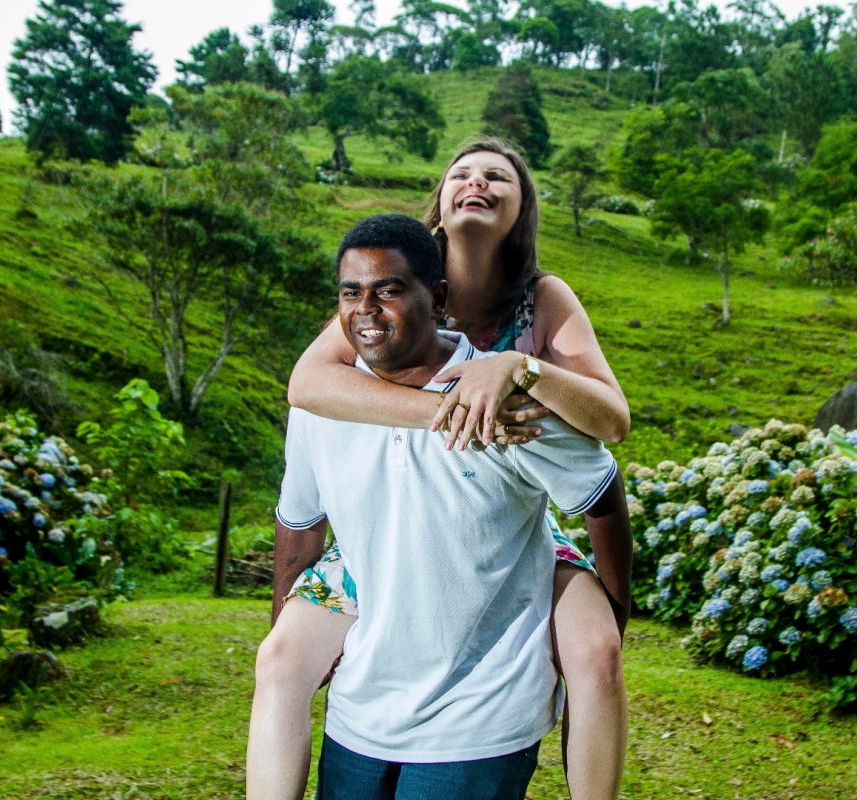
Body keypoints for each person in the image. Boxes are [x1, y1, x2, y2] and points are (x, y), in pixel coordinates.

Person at [248, 138, 632, 800]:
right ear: (441, 200)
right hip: (391, 509)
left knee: (596, 653)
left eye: (496, 176)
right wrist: (447, 413)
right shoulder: (388, 273)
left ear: (523, 205)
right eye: (462, 173)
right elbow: (308, 386)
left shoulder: (542, 298)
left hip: (512, 511)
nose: (476, 182)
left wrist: (521, 367)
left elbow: (611, 424)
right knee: (280, 655)